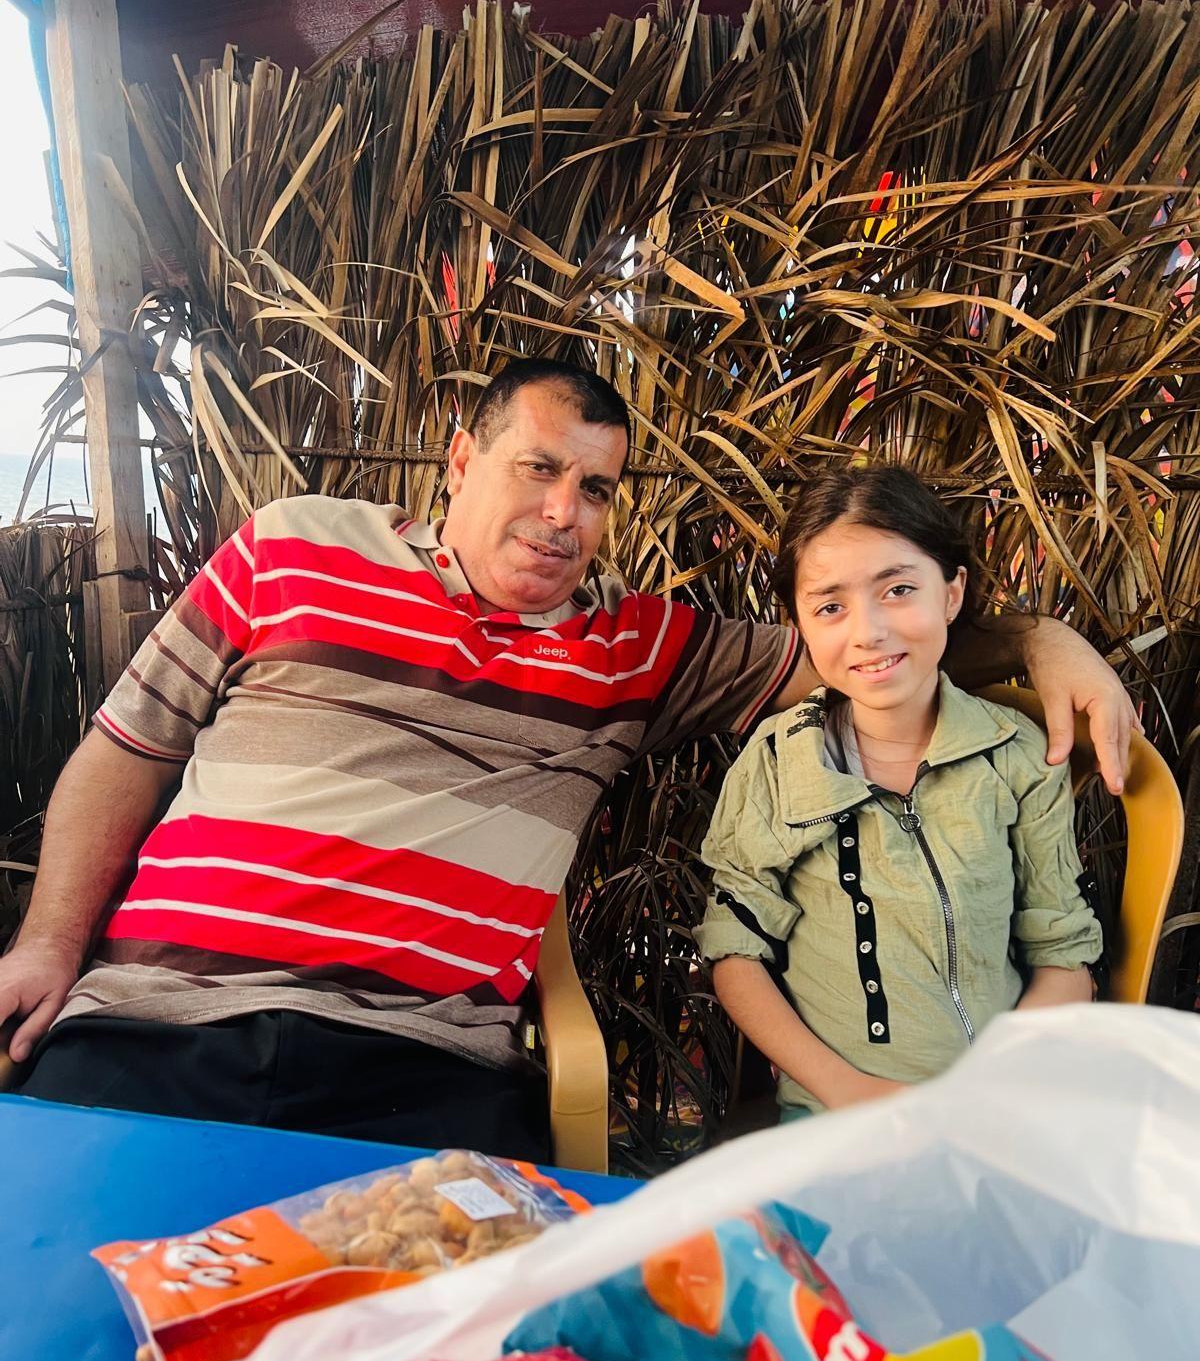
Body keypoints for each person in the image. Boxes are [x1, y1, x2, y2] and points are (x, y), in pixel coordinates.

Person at [2, 360, 1134, 1156]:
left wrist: (1041, 640)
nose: (562, 513)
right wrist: (50, 942)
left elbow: (869, 637)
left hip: (417, 1066)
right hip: (157, 1023)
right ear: (460, 460)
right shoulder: (292, 545)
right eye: (537, 470)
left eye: (594, 489)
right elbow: (126, 751)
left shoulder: (637, 650)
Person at [696, 465, 1103, 1122]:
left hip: (999, 1112)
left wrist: (992, 1091)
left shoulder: (1016, 756)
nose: (869, 631)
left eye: (898, 590)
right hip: (837, 1119)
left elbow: (1065, 955)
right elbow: (733, 950)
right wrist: (845, 1090)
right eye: (831, 606)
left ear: (951, 593)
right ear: (799, 622)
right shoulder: (778, 762)